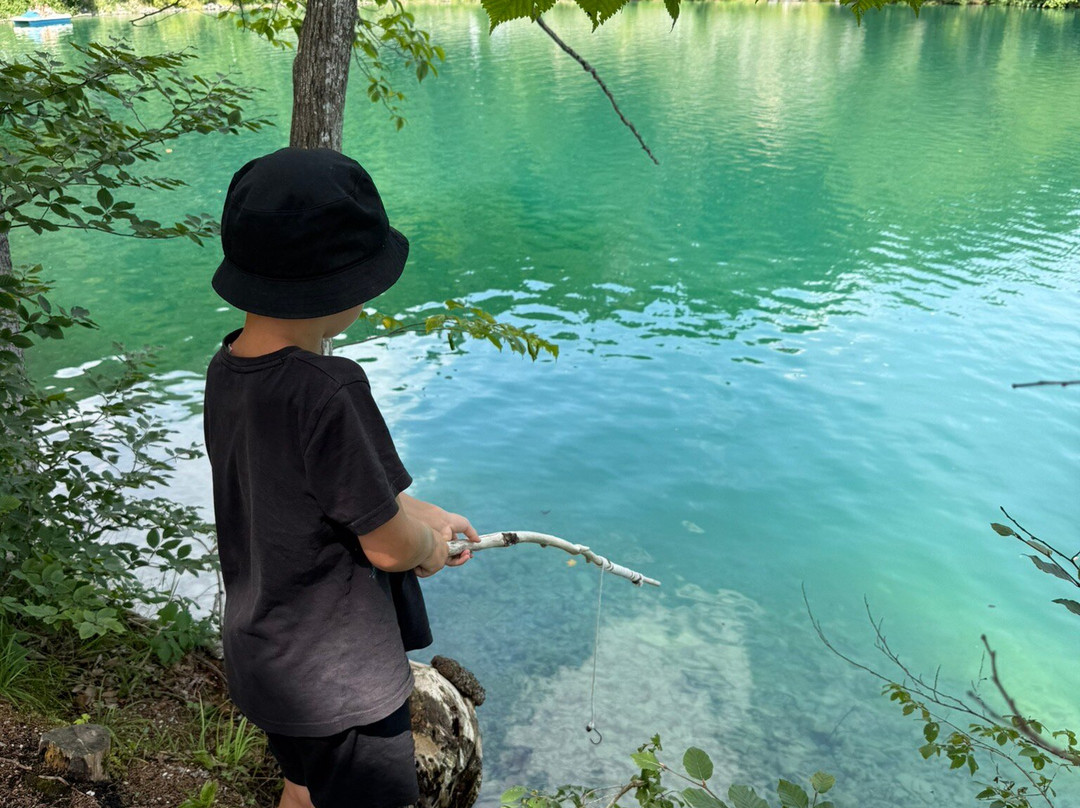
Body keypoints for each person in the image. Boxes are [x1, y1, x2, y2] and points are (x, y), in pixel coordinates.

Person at [202, 147, 480, 808]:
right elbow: (387, 544)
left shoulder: (229, 370)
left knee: (301, 785)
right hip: (342, 683)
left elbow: (326, 489)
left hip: (267, 658)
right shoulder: (330, 388)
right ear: (344, 286)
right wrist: (430, 547)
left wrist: (424, 510)